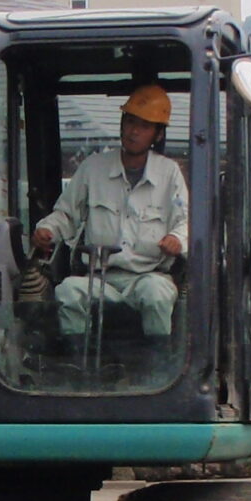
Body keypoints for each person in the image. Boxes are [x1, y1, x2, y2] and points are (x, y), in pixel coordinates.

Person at [30, 83, 190, 345]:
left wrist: (176, 238)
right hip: (100, 278)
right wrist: (48, 230)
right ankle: (77, 364)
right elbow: (66, 215)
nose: (134, 131)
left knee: (157, 295)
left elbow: (185, 222)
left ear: (157, 135)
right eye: (129, 122)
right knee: (68, 292)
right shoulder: (93, 169)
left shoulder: (169, 174)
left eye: (144, 126)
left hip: (148, 276)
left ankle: (157, 364)